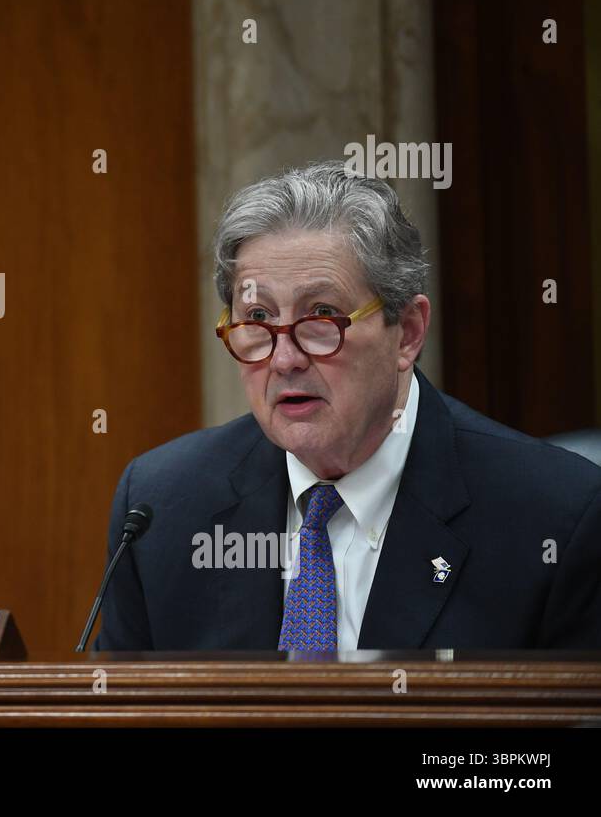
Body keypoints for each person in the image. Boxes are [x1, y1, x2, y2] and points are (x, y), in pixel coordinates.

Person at [95, 161, 601, 651]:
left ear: (407, 333)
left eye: (322, 315)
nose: (285, 358)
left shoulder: (556, 518)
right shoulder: (163, 508)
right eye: (257, 317)